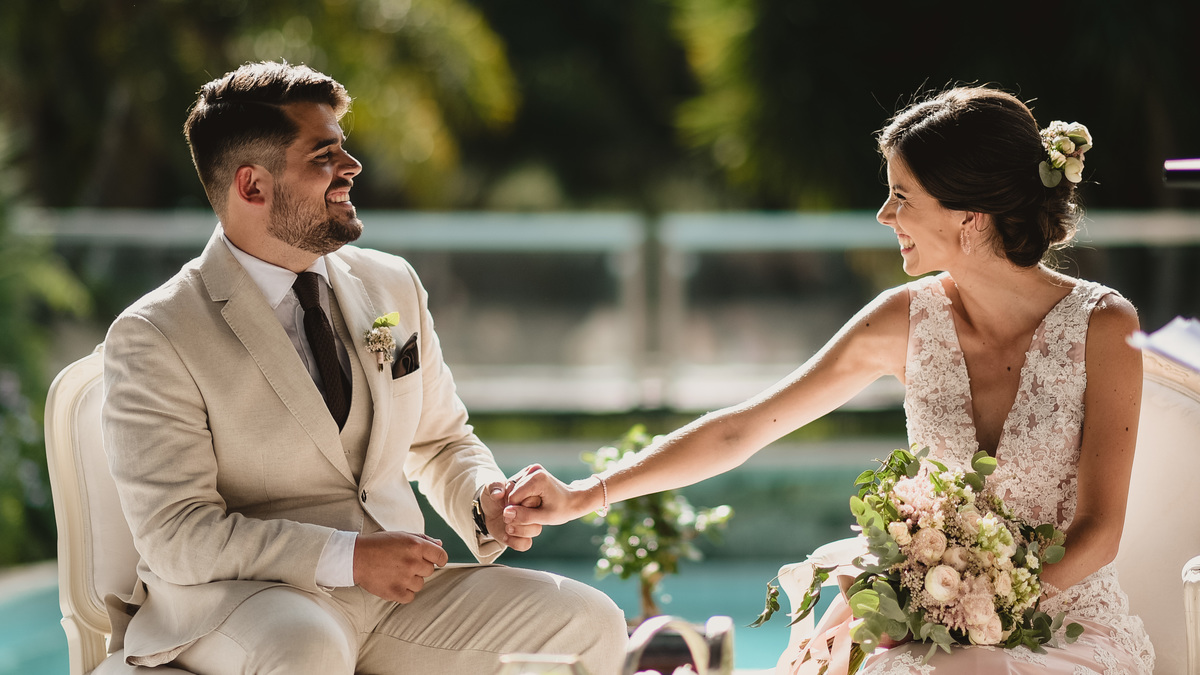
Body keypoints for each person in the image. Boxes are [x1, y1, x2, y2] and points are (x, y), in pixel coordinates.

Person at [504, 86, 1156, 673]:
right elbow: (741, 430)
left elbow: (1099, 531)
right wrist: (583, 494)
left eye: (902, 196)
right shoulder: (902, 321)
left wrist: (980, 608)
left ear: (970, 214)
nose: (884, 215)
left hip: (1064, 625)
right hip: (929, 625)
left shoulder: (1103, 326)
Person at [101, 61, 626, 675]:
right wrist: (348, 557)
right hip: (243, 601)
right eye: (323, 156)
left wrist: (485, 499)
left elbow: (441, 440)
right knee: (305, 645)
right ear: (252, 186)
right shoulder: (156, 333)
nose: (351, 167)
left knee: (589, 621)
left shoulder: (392, 282)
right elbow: (177, 533)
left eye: (343, 149)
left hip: (397, 597)